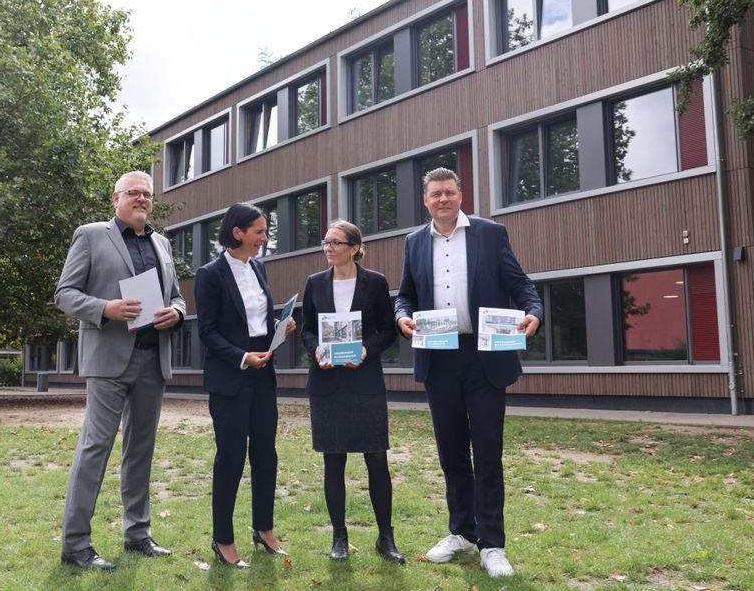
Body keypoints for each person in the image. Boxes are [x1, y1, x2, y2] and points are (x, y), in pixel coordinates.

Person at [395, 168, 542, 578]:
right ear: (426, 201)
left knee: (488, 451)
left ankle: (492, 544)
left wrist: (535, 312)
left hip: (484, 357)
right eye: (435, 194)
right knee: (451, 452)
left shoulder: (489, 233)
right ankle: (461, 531)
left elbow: (520, 282)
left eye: (449, 192)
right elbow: (405, 295)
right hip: (438, 356)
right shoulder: (413, 242)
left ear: (461, 195)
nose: (442, 199)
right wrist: (402, 317)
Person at [55, 170, 186, 571]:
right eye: (134, 193)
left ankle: (138, 534)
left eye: (147, 194)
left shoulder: (162, 243)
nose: (142, 199)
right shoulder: (91, 235)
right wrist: (105, 309)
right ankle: (76, 544)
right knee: (96, 448)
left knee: (141, 450)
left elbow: (178, 297)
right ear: (116, 198)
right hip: (109, 362)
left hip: (151, 359)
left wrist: (176, 314)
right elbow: (65, 294)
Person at [194, 203, 296, 568]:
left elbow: (258, 316)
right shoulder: (209, 274)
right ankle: (223, 539)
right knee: (231, 458)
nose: (264, 238)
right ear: (237, 232)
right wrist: (241, 356)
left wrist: (279, 328)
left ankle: (264, 529)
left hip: (263, 375)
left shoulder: (260, 267)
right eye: (259, 231)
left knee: (266, 455)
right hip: (231, 378)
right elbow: (207, 331)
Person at [301, 219, 405, 563]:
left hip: (365, 384)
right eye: (326, 243)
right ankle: (339, 538)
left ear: (355, 247)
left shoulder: (375, 283)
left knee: (377, 459)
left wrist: (365, 350)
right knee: (334, 461)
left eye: (336, 243)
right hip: (327, 383)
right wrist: (316, 349)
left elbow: (388, 331)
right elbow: (307, 331)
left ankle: (385, 538)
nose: (329, 248)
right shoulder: (314, 282)